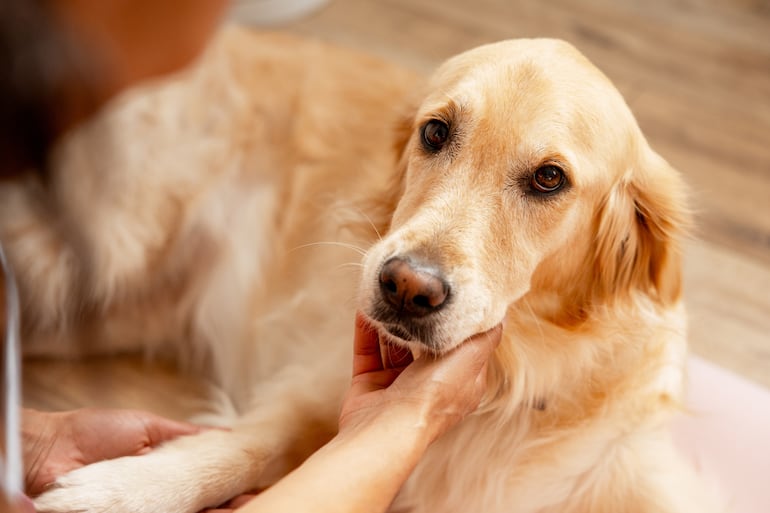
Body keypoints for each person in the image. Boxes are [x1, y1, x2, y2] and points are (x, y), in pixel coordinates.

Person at [1, 1, 503, 512]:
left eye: (543, 181)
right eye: (436, 136)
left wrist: (29, 440)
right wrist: (409, 420)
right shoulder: (143, 79)